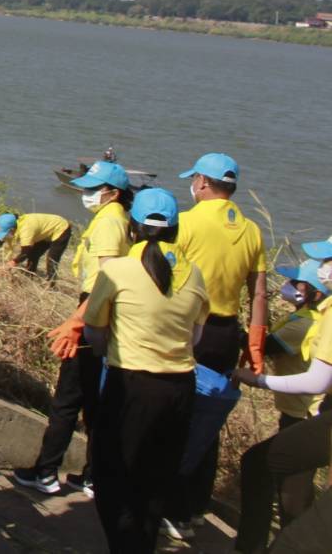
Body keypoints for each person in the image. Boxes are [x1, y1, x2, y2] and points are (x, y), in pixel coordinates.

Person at [82, 188, 209, 554]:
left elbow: (95, 331)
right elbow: (195, 335)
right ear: (175, 230)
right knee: (155, 484)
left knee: (112, 478)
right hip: (181, 389)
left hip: (131, 387)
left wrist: (112, 353)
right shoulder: (195, 274)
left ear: (133, 227)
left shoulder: (117, 270)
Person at [11, 158, 132, 495]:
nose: (88, 195)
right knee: (94, 402)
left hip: (92, 315)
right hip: (104, 319)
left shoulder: (109, 223)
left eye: (94, 190)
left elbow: (104, 281)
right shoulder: (117, 219)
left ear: (113, 193)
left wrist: (76, 323)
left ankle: (46, 472)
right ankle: (93, 474)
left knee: (67, 399)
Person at [166, 152, 267, 537]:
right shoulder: (253, 230)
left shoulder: (186, 222)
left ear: (203, 183)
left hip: (191, 331)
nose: (192, 186)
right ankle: (193, 507)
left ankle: (170, 509)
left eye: (194, 180)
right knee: (208, 425)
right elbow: (258, 293)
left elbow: (168, 279)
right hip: (228, 336)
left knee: (177, 419)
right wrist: (254, 341)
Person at [232, 243, 332, 553]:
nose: (323, 267)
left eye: (327, 260)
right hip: (317, 413)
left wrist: (258, 379)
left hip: (311, 412)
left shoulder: (317, 318)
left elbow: (319, 379)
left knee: (292, 495)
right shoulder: (314, 314)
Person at [262, 259, 328, 430]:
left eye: (297, 283)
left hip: (303, 412)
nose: (288, 284)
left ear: (317, 293)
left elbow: (265, 346)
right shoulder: (306, 316)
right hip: (298, 406)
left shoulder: (304, 324)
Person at [0, 211, 73, 278]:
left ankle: (51, 285)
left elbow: (25, 253)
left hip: (61, 228)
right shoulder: (13, 224)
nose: (6, 236)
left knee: (52, 259)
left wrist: (8, 265)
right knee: (34, 255)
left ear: (12, 229)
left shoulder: (26, 229)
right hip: (43, 231)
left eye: (7, 232)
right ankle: (30, 276)